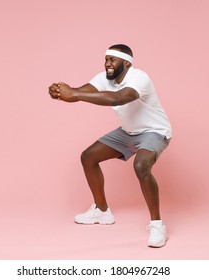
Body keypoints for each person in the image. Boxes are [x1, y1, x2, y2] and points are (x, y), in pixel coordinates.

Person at [48, 44, 172, 248]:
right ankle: (102, 211)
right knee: (88, 157)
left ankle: (157, 225)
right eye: (106, 60)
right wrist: (63, 93)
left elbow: (120, 98)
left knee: (141, 167)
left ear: (126, 62)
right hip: (128, 132)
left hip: (154, 131)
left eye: (112, 60)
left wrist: (76, 95)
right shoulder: (105, 78)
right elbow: (80, 92)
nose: (107, 64)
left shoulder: (139, 77)